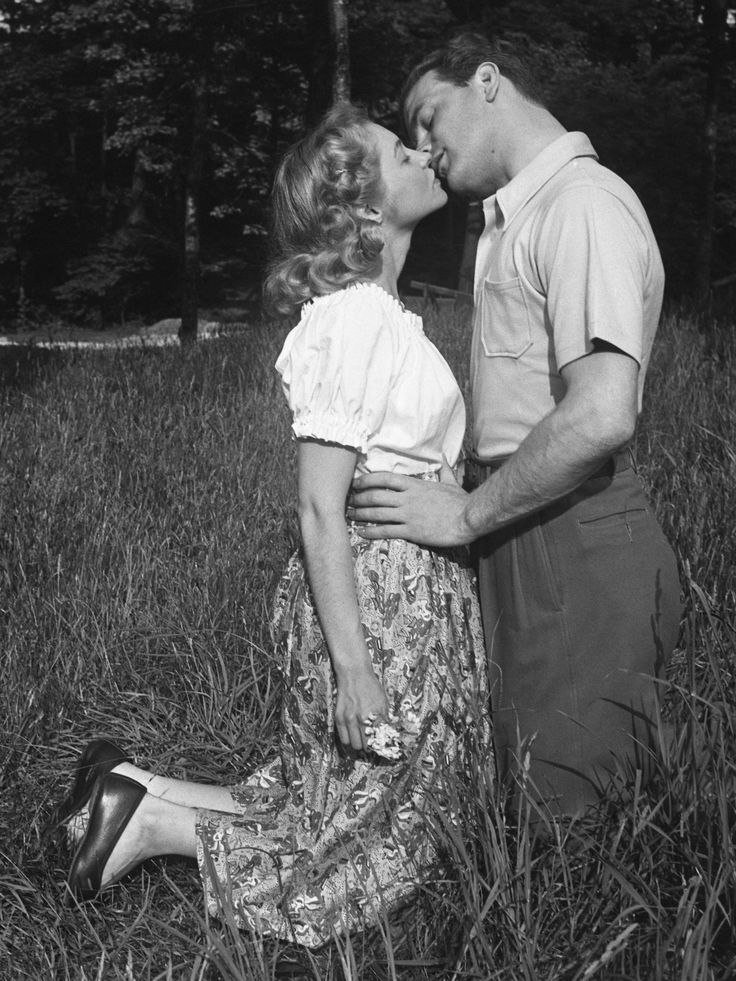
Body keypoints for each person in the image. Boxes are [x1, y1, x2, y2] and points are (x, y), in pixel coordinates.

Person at [56, 103, 488, 949]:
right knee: (384, 836)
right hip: (377, 597)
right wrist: (355, 668)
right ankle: (156, 828)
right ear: (365, 208)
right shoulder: (356, 317)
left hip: (397, 584)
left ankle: (131, 786)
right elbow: (319, 503)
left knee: (329, 795)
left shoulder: (381, 315)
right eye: (403, 152)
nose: (424, 151)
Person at [349, 33, 682, 819]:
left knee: (566, 830)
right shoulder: (517, 218)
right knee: (512, 806)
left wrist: (464, 515)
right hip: (521, 525)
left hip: (574, 535)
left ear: (488, 82)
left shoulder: (582, 205)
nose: (425, 151)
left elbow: (602, 411)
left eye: (429, 120)